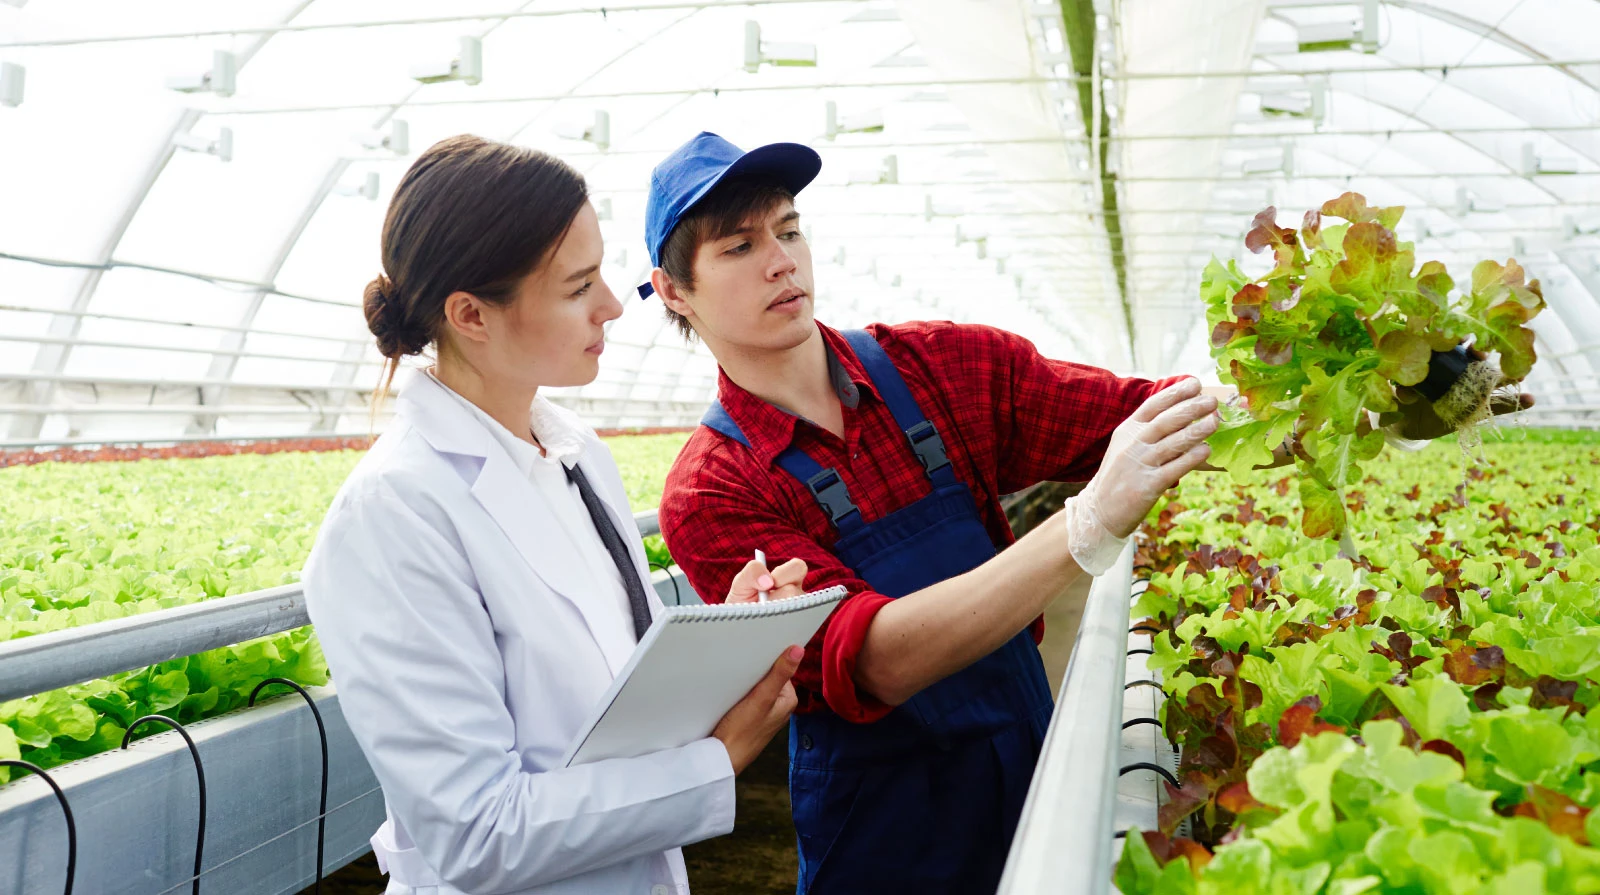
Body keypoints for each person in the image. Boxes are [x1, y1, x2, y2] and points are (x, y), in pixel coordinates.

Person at [641, 132, 1528, 894]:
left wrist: (1374, 394)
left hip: (1025, 750)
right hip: (882, 817)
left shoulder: (942, 367)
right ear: (674, 290)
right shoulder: (714, 489)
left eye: (789, 229)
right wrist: (1082, 528)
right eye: (738, 246)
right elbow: (870, 660)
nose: (780, 260)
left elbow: (1151, 415)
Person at [302, 134, 810, 895]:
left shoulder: (575, 452)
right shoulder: (393, 516)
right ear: (471, 314)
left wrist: (721, 651)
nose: (612, 304)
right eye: (578, 287)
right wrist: (715, 760)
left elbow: (609, 715)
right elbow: (478, 832)